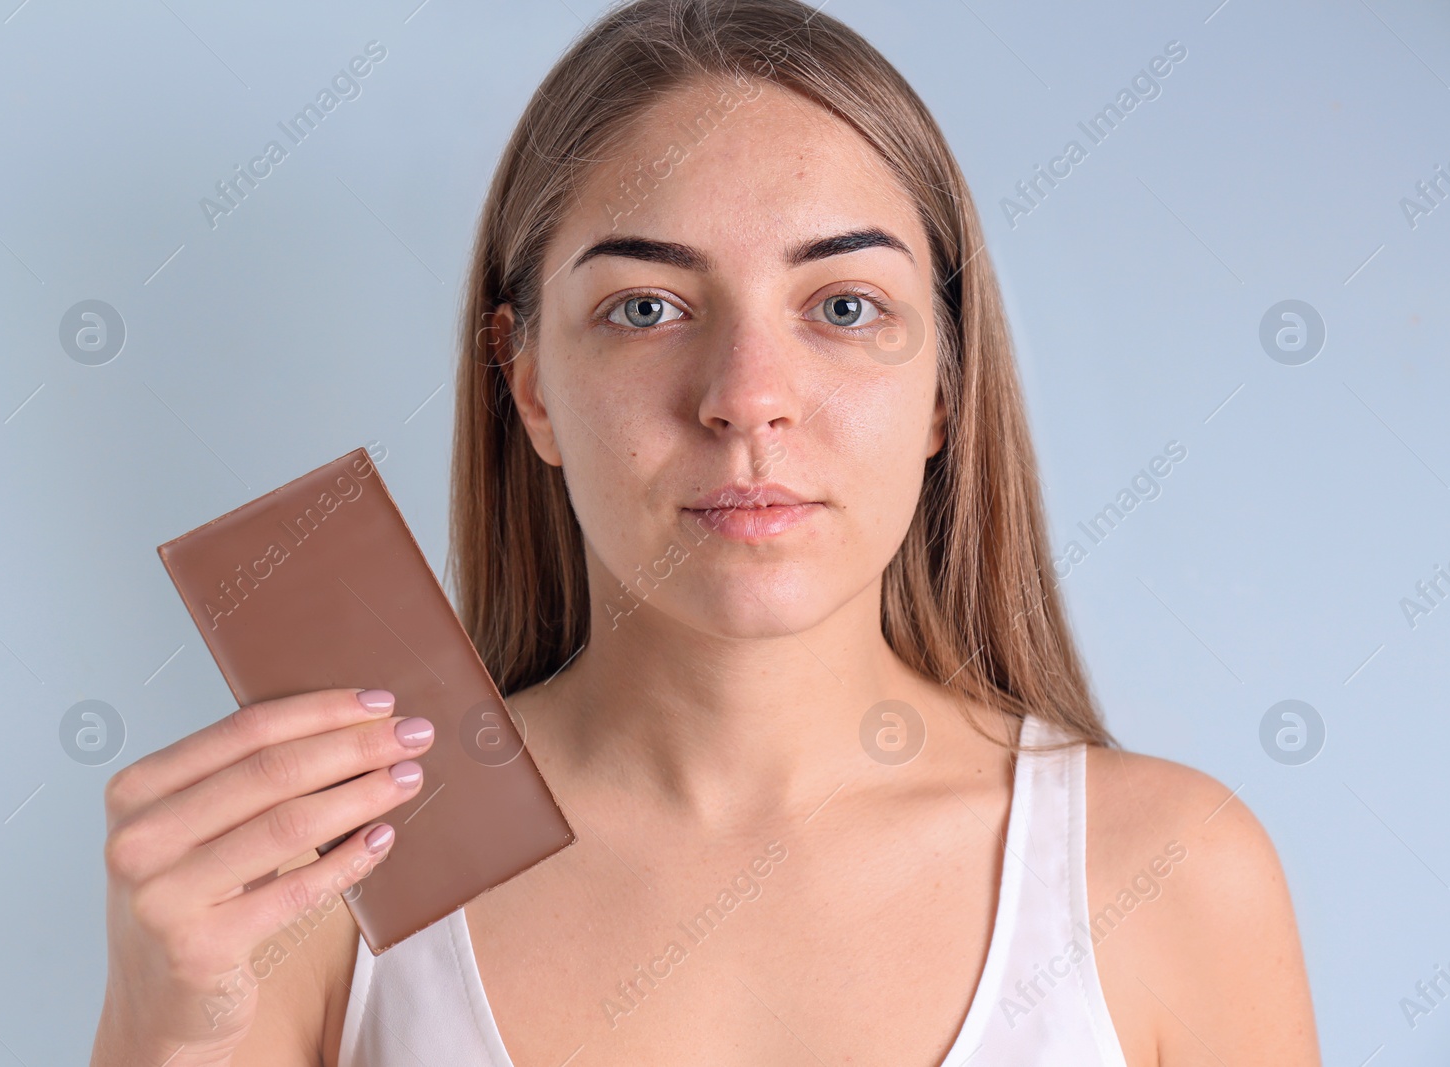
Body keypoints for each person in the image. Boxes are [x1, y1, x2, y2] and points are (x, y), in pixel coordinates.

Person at [91, 1, 1320, 1063]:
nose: (745, 395)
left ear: (946, 386)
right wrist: (163, 1027)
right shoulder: (328, 876)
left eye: (844, 305)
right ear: (528, 383)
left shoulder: (1168, 874)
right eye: (646, 307)